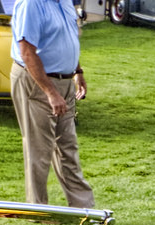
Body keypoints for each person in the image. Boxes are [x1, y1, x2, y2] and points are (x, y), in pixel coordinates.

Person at [10, 0, 94, 206]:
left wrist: (77, 71)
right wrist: (50, 92)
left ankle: (83, 208)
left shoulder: (64, 2)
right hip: (37, 82)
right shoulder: (31, 4)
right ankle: (37, 210)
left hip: (64, 81)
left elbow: (67, 37)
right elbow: (27, 52)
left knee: (68, 146)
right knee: (39, 149)